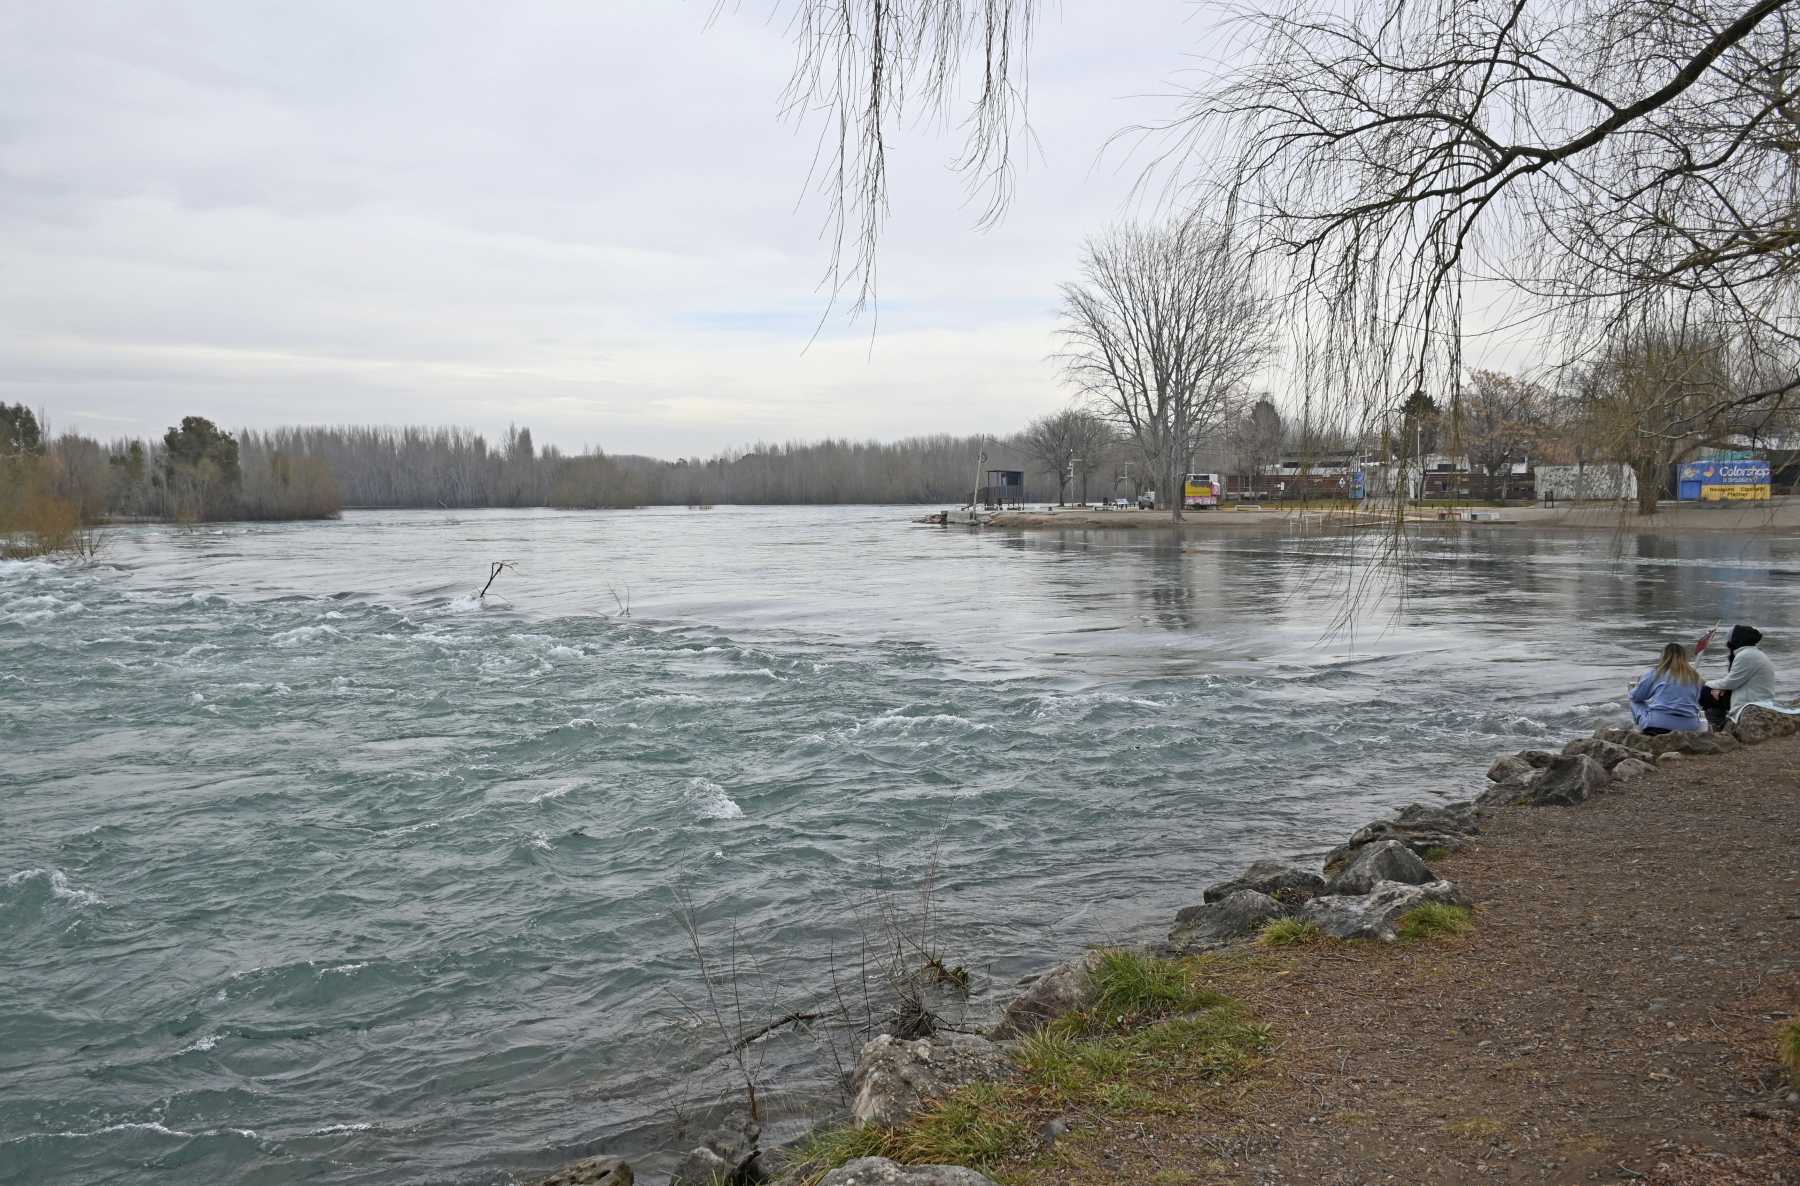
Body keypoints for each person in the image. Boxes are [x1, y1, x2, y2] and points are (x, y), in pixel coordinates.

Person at [1701, 624, 1782, 729]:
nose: (1728, 643)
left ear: (1737, 640)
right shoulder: (1752, 653)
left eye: (1730, 640)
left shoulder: (1746, 655)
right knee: (1711, 692)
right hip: (1754, 694)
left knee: (1704, 692)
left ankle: (1717, 723)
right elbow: (1734, 679)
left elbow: (1731, 682)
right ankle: (1717, 722)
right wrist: (1721, 687)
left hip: (1752, 699)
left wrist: (1707, 683)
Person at [1628, 642, 1706, 734]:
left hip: (1658, 724)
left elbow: (1636, 696)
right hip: (1690, 726)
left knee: (1634, 701)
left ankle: (1639, 728)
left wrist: (1634, 687)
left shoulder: (1657, 673)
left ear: (1664, 656)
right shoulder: (1696, 677)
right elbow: (1700, 703)